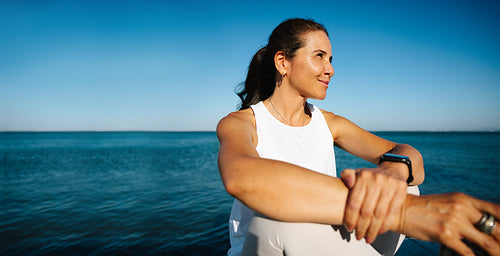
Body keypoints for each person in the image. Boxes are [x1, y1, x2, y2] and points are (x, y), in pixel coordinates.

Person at [216, 18, 500, 256]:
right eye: (319, 56)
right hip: (264, 244)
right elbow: (241, 177)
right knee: (273, 223)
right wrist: (402, 213)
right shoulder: (242, 123)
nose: (330, 69)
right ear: (283, 62)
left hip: (319, 233)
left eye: (330, 59)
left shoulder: (329, 122)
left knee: (406, 188)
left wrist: (392, 171)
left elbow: (411, 157)